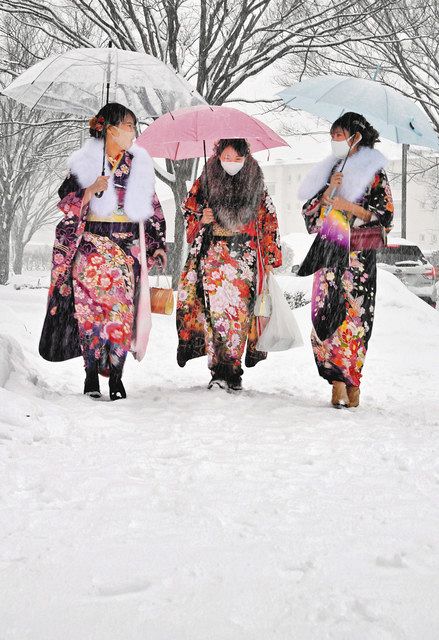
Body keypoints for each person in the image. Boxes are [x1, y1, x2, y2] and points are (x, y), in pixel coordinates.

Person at [39, 102, 167, 400]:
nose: (133, 132)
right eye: (129, 126)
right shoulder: (86, 161)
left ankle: (117, 375)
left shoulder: (139, 164)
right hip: (91, 247)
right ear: (110, 129)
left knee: (121, 312)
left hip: (124, 247)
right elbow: (65, 201)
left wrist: (157, 244)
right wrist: (88, 190)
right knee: (90, 314)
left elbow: (153, 207)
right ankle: (91, 374)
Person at [297, 112, 394, 408]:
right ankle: (336, 381)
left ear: (356, 136)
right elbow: (310, 213)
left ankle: (352, 382)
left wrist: (348, 205)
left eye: (340, 135)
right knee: (326, 315)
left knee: (354, 319)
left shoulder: (373, 170)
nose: (334, 141)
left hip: (358, 259)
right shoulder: (331, 169)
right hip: (329, 251)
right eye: (332, 136)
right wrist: (328, 192)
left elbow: (386, 216)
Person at [176, 138, 282, 391]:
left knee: (238, 316)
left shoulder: (255, 182)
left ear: (246, 158)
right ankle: (218, 370)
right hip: (215, 253)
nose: (231, 163)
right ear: (217, 156)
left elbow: (269, 219)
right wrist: (203, 217)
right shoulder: (206, 179)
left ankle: (232, 370)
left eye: (237, 158)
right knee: (215, 316)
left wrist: (269, 257)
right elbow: (188, 210)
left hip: (244, 255)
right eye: (226, 157)